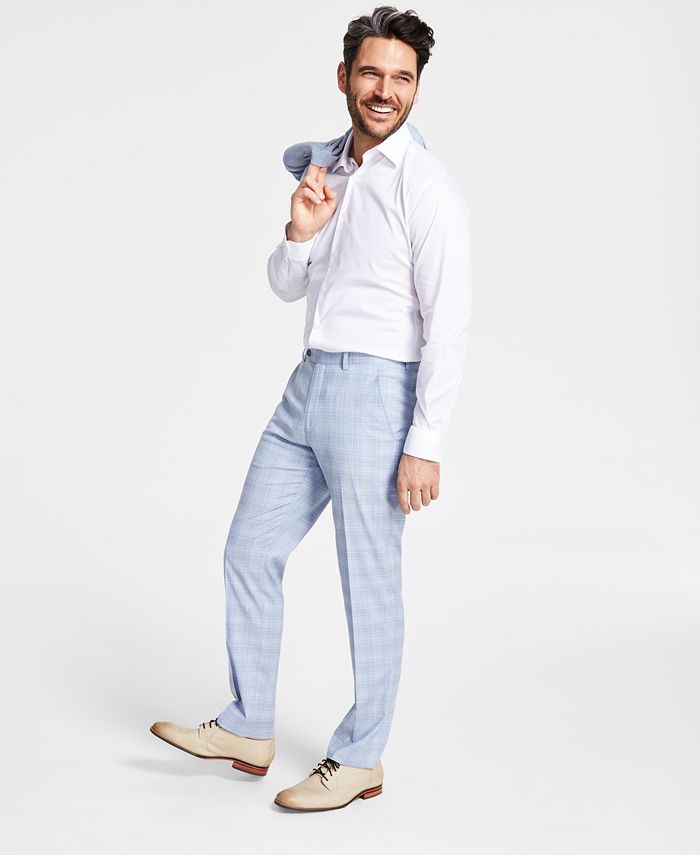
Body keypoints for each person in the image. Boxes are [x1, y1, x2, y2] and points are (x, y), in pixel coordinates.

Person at [150, 4, 471, 812]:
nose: (385, 90)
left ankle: (360, 756)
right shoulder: (331, 172)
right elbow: (286, 284)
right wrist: (300, 231)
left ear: (418, 89)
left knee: (369, 580)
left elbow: (451, 322)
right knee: (249, 547)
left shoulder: (425, 187)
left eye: (402, 77)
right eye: (371, 73)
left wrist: (425, 440)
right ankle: (248, 723)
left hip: (379, 393)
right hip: (310, 382)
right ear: (344, 77)